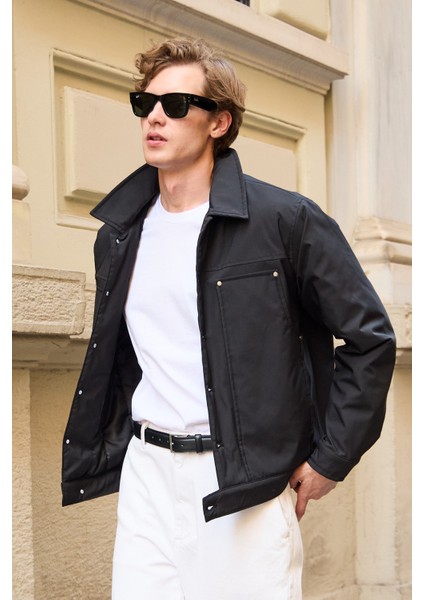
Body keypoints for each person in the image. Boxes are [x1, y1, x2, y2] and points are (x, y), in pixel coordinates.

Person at [61, 37, 396, 599]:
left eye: (176, 105)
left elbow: (370, 338)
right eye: (145, 103)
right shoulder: (121, 232)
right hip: (147, 473)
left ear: (219, 122)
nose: (155, 118)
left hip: (242, 482)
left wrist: (332, 458)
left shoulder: (285, 220)